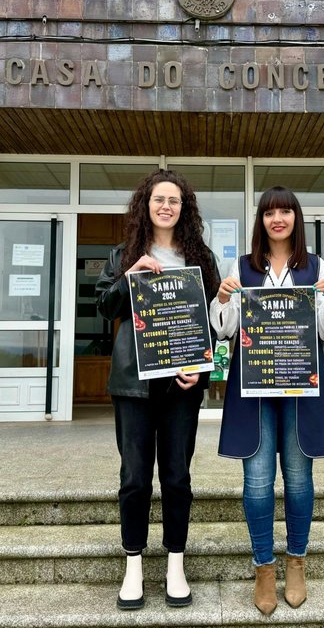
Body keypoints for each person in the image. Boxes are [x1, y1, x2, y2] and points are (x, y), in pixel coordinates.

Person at [209, 186, 324, 615]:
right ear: (261, 221)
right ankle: (264, 567)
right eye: (270, 212)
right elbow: (225, 330)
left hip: (300, 389)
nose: (278, 219)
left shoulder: (316, 265)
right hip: (253, 390)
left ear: (296, 218)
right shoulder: (243, 267)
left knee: (299, 479)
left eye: (285, 211)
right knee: (256, 482)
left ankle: (297, 562)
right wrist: (221, 300)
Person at [95, 168, 221, 611]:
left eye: (174, 200)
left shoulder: (200, 259)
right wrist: (129, 276)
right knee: (133, 478)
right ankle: (132, 566)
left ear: (183, 209)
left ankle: (175, 564)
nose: (166, 206)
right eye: (158, 199)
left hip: (181, 387)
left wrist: (202, 374)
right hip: (133, 385)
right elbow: (103, 306)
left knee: (177, 477)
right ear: (145, 206)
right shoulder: (122, 254)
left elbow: (214, 324)